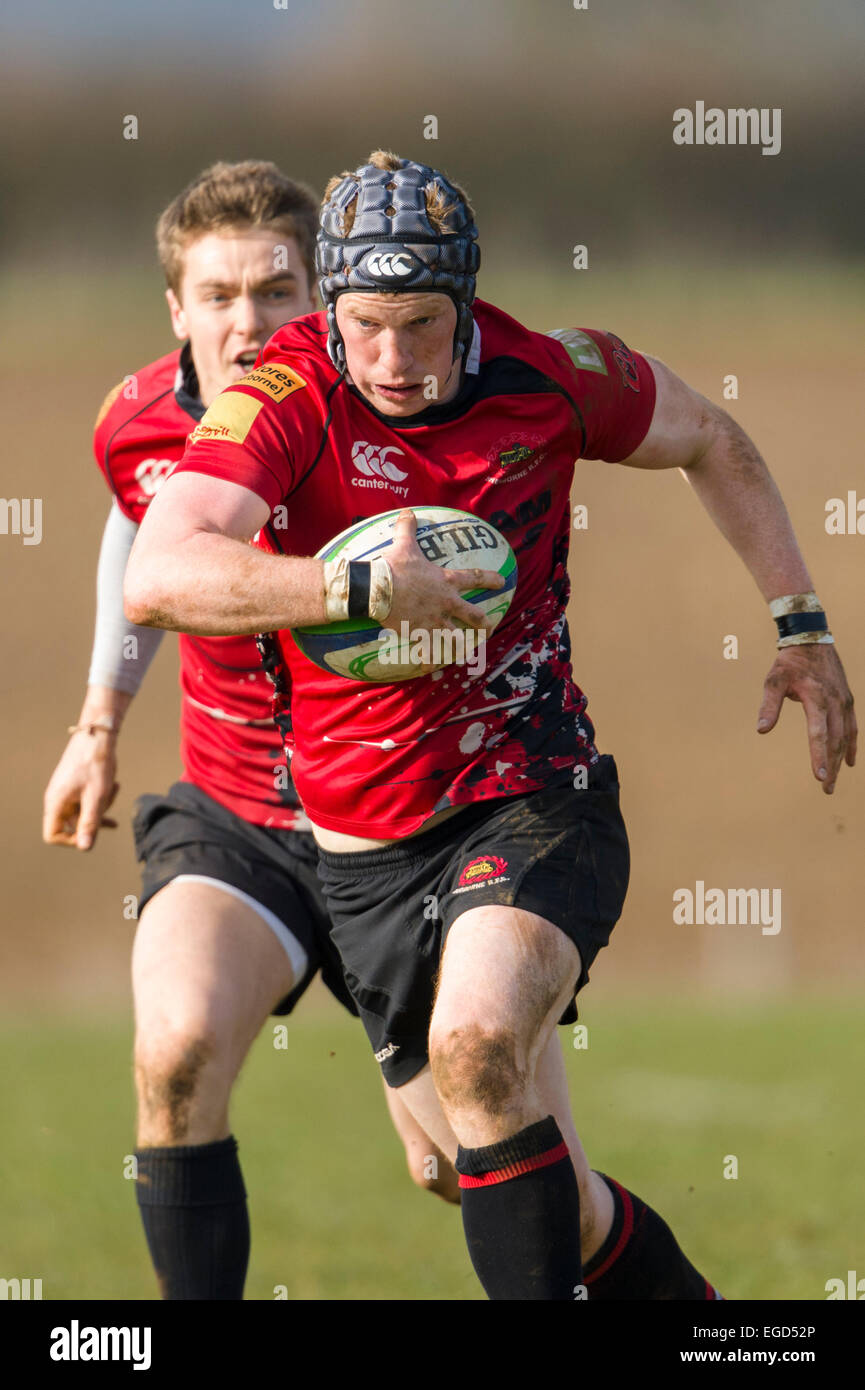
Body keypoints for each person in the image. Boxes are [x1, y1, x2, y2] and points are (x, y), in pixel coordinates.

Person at [124, 150, 856, 1300]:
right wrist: (356, 590)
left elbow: (714, 439)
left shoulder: (554, 374)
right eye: (365, 323)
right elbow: (158, 572)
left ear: (465, 303)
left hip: (532, 793)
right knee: (462, 1167)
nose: (393, 358)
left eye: (422, 323)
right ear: (331, 309)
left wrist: (799, 621)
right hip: (361, 852)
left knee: (478, 1046)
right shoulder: (284, 394)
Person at [42, 159, 459, 1303]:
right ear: (175, 310)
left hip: (394, 824)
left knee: (458, 1163)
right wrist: (98, 722)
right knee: (173, 1054)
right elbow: (133, 545)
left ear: (319, 294)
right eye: (217, 296)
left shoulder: (369, 398)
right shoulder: (134, 422)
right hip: (239, 817)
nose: (248, 321)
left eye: (276, 291)